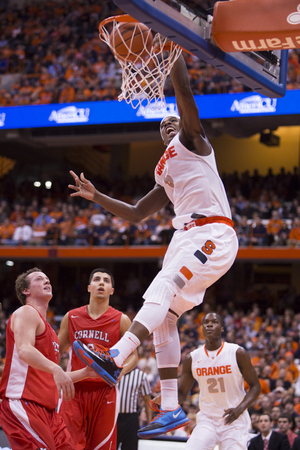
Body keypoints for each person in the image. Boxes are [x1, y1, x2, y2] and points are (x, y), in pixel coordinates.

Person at [69, 50, 239, 438]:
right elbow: (136, 213)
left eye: (174, 119)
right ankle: (171, 408)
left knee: (162, 287)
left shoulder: (195, 142)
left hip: (212, 233)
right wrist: (98, 197)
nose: (169, 123)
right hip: (184, 237)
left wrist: (174, 45)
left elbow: (183, 88)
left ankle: (115, 356)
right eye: (164, 122)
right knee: (163, 317)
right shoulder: (164, 169)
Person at [0, 267, 96, 450]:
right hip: (23, 403)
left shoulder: (51, 331)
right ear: (25, 290)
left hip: (49, 412)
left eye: (47, 279)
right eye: (38, 279)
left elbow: (52, 378)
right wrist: (56, 368)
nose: (46, 281)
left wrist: (87, 372)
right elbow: (24, 349)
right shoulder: (26, 312)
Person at [150, 312, 261, 449]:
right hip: (207, 420)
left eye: (214, 322)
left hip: (235, 420)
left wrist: (239, 409)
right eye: (206, 322)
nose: (209, 324)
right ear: (202, 329)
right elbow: (183, 393)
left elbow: (256, 387)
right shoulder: (193, 358)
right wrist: (168, 398)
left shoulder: (237, 352)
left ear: (222, 328)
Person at [58, 268, 138, 450]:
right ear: (89, 287)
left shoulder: (121, 320)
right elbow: (56, 351)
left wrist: (121, 371)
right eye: (97, 279)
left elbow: (134, 356)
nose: (101, 283)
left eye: (106, 281)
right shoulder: (71, 317)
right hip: (74, 390)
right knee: (68, 445)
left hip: (105, 391)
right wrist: (54, 377)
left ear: (112, 290)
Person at [117, 367, 152, 450]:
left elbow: (147, 400)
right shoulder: (113, 372)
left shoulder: (141, 375)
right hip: (113, 418)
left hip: (131, 419)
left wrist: (150, 423)